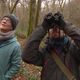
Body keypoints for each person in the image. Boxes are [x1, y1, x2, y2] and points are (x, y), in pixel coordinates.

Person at [22, 12, 80, 80]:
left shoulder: (73, 49)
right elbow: (27, 56)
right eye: (52, 27)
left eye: (59, 27)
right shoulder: (45, 51)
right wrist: (43, 27)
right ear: (48, 32)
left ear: (65, 32)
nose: (55, 29)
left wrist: (65, 25)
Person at [0, 14, 21, 80]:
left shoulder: (15, 46)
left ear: (12, 27)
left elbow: (16, 66)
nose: (4, 21)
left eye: (8, 20)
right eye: (3, 19)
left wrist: (5, 78)